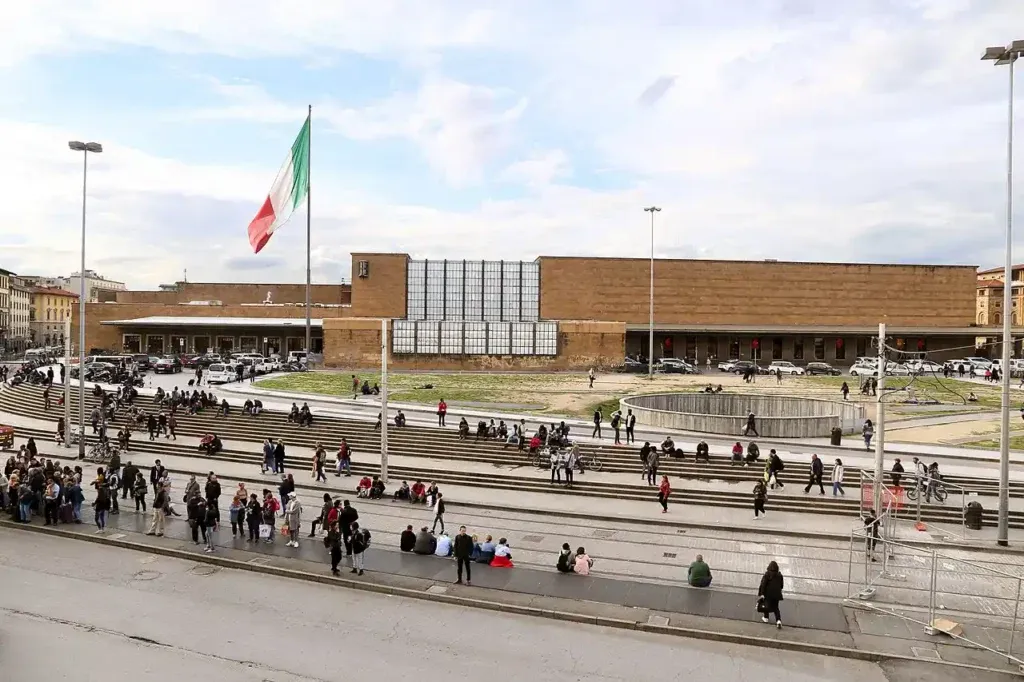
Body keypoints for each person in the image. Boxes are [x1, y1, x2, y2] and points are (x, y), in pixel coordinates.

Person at [758, 561, 784, 629]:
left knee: (766, 604)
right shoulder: (779, 575)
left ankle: (766, 618)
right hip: (776, 594)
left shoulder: (767, 574)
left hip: (768, 593)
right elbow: (781, 585)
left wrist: (762, 593)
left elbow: (763, 584)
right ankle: (778, 620)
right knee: (776, 607)